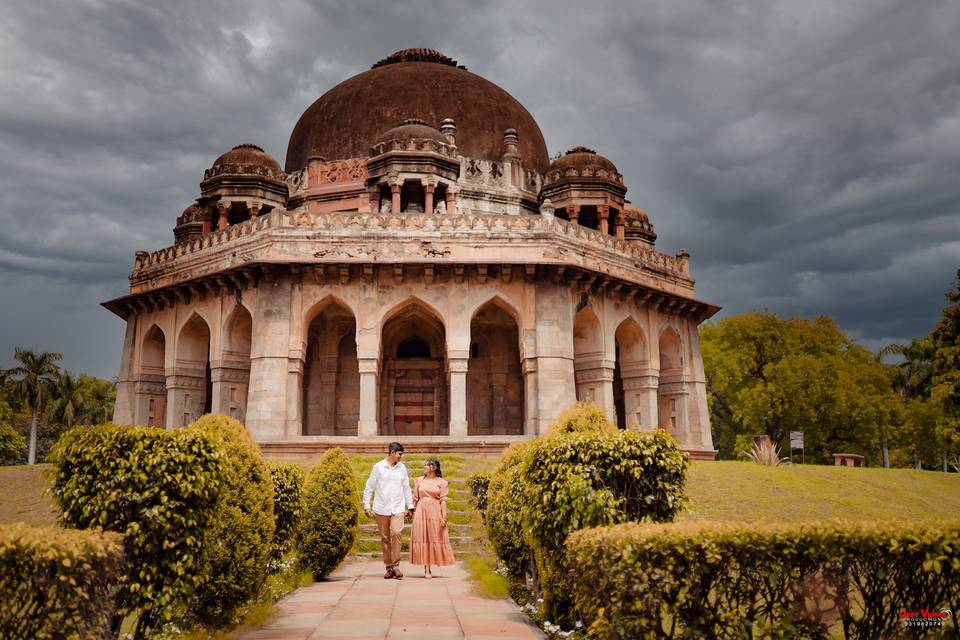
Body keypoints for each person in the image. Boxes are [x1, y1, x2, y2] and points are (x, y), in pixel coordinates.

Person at [363, 442, 414, 579]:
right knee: (385, 538)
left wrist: (410, 506)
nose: (401, 456)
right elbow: (369, 487)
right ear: (392, 452)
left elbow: (406, 488)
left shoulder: (401, 468)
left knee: (397, 533)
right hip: (381, 508)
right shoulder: (378, 467)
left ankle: (396, 566)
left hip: (397, 507)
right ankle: (389, 567)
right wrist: (366, 505)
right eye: (399, 454)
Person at [409, 458, 455, 578]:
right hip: (421, 510)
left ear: (433, 468)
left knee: (433, 537)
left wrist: (444, 516)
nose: (424, 467)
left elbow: (443, 500)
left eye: (426, 465)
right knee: (422, 537)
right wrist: (410, 510)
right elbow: (415, 497)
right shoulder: (419, 480)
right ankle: (426, 569)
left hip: (435, 511)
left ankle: (432, 565)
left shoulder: (442, 482)